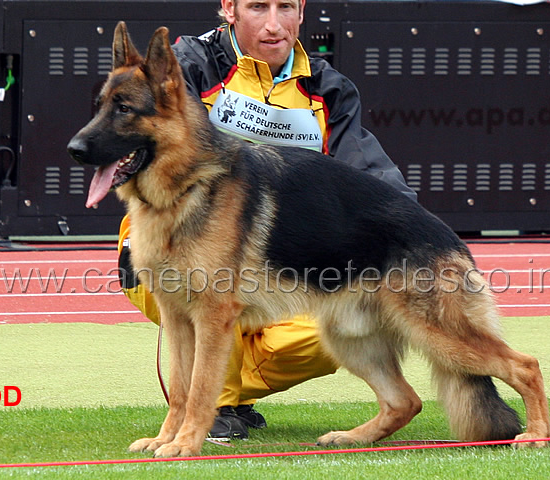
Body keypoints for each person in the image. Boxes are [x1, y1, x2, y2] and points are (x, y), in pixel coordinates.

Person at [118, 0, 416, 440]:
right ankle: (213, 407)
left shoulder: (329, 87)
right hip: (174, 238)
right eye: (258, 7)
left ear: (302, 12)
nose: (274, 25)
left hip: (276, 258)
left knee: (345, 322)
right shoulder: (189, 65)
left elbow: (370, 177)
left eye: (286, 8)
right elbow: (147, 148)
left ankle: (227, 388)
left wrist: (423, 241)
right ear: (229, 9)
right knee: (208, 288)